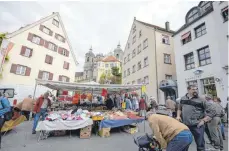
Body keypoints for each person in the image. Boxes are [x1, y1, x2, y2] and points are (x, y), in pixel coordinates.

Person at [176, 85, 215, 151]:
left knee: (200, 144)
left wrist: (204, 120)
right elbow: (179, 109)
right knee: (184, 142)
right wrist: (178, 116)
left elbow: (212, 111)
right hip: (185, 125)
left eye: (196, 89)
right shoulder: (182, 98)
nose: (195, 91)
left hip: (197, 125)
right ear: (188, 90)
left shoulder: (201, 99)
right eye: (193, 89)